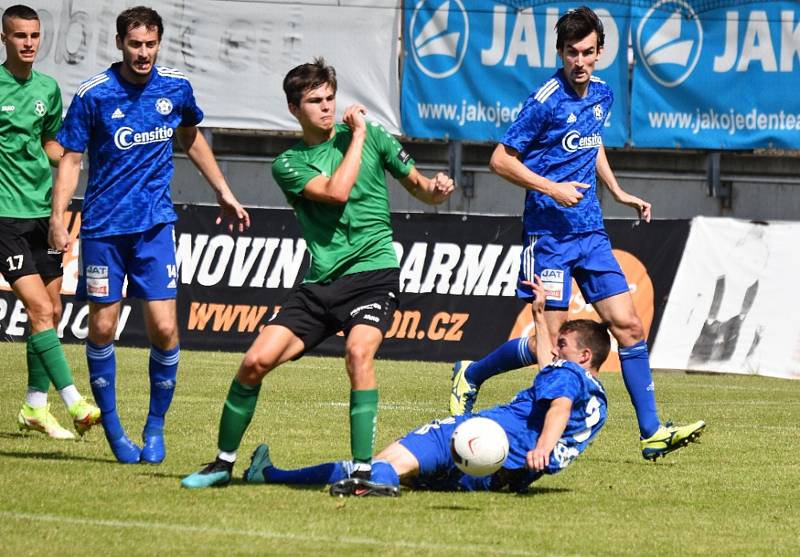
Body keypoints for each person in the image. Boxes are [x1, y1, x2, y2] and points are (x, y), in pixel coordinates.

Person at [181, 58, 455, 492]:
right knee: (254, 363)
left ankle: (363, 475)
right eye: (315, 101)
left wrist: (436, 191)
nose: (327, 108)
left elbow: (418, 186)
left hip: (373, 274)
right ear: (294, 109)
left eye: (330, 98)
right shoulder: (288, 164)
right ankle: (221, 463)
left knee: (359, 354)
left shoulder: (373, 136)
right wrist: (360, 136)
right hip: (321, 284)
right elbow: (336, 192)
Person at [449, 6, 705, 461]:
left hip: (591, 232)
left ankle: (651, 432)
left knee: (629, 326)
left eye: (588, 52)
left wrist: (618, 191)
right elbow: (500, 160)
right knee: (551, 346)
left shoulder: (602, 94)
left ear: (600, 52)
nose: (580, 61)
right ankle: (473, 374)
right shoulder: (544, 100)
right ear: (561, 53)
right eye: (572, 53)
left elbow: (593, 142)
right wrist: (552, 188)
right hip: (548, 237)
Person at [49, 6, 250, 464]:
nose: (143, 53)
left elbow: (192, 137)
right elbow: (72, 160)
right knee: (102, 326)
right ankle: (115, 430)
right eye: (135, 44)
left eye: (150, 44)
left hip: (155, 226)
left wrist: (222, 190)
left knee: (163, 327)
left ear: (160, 43)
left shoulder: (175, 87)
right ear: (120, 43)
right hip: (102, 229)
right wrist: (59, 216)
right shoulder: (94, 94)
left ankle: (155, 427)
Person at [240, 275, 609, 496]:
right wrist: (539, 313)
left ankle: (279, 477)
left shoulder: (568, 377)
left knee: (378, 464)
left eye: (565, 346)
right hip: (501, 473)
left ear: (585, 356)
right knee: (412, 476)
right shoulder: (597, 398)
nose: (556, 351)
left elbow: (558, 402)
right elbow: (550, 370)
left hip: (483, 435)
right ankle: (280, 476)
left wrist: (542, 446)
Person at [1, 5, 100, 440]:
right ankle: (74, 400)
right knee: (39, 309)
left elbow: (50, 144)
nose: (28, 43)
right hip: (5, 217)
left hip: (44, 214)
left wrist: (74, 157)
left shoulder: (48, 87)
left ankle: (34, 408)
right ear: (4, 38)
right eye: (19, 35)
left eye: (35, 35)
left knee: (53, 310)